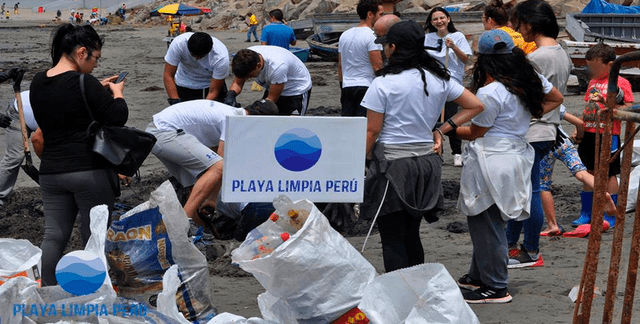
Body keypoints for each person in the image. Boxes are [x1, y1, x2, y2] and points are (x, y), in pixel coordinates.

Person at [360, 21, 484, 273]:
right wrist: (441, 128)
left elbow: (372, 130)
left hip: (393, 165)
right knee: (411, 232)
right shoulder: (437, 78)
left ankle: (400, 296)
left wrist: (358, 162)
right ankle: (417, 290)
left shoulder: (383, 83)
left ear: (393, 48)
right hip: (426, 163)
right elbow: (475, 105)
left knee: (392, 236)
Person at [455, 29, 562, 304]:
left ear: (485, 61)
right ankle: (478, 275)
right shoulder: (527, 79)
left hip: (492, 156)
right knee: (489, 220)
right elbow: (557, 99)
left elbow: (478, 131)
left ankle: (495, 286)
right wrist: (534, 111)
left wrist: (450, 129)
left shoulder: (490, 91)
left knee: (486, 221)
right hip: (516, 154)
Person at [29, 24, 128, 286]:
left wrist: (96, 88)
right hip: (88, 171)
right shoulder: (85, 82)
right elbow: (118, 117)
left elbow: (62, 111)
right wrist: (116, 94)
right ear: (82, 52)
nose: (96, 64)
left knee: (53, 236)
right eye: (96, 58)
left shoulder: (38, 82)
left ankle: (44, 293)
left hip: (51, 172)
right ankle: (92, 295)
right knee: (94, 235)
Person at [506, 0, 571, 269]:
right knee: (530, 188)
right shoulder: (560, 52)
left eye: (520, 24)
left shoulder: (535, 58)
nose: (519, 30)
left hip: (533, 129)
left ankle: (529, 249)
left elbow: (521, 97)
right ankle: (514, 245)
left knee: (528, 190)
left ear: (531, 24)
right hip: (549, 128)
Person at [145, 99, 278, 227]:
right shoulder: (236, 120)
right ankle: (184, 221)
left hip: (159, 131)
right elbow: (221, 162)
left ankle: (197, 227)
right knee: (218, 167)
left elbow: (213, 155)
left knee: (195, 184)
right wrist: (213, 199)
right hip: (164, 131)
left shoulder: (231, 113)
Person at [574, 43, 635, 228]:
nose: (592, 70)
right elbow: (588, 108)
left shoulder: (621, 83)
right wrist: (579, 127)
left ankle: (611, 213)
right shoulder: (592, 82)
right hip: (590, 133)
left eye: (596, 66)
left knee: (609, 174)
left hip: (609, 134)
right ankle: (587, 212)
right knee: (588, 172)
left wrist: (609, 105)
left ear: (610, 65)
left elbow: (629, 109)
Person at [539, 105, 617, 235]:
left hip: (544, 147)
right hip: (563, 142)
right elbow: (579, 122)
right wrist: (579, 137)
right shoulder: (551, 100)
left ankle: (552, 225)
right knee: (581, 173)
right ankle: (603, 192)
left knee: (543, 185)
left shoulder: (523, 101)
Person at [424, 7, 472, 167]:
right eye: (435, 19)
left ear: (448, 19)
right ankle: (437, 150)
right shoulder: (427, 38)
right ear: (431, 22)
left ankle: (457, 152)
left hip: (452, 83)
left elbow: (466, 59)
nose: (439, 21)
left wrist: (454, 47)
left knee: (452, 118)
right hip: (432, 83)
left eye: (442, 18)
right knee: (434, 118)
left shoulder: (457, 36)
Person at [226, 46, 312, 115]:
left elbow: (271, 101)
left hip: (295, 89)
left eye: (249, 76)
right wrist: (230, 95)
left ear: (258, 65)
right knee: (266, 120)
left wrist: (247, 112)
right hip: (272, 84)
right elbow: (238, 83)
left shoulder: (277, 66)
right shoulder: (245, 58)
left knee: (291, 126)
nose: (247, 79)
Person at [337, 0, 384, 117]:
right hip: (366, 87)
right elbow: (377, 66)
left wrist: (342, 86)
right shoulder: (372, 36)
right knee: (364, 128)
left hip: (347, 87)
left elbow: (340, 65)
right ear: (370, 14)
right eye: (380, 14)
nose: (382, 18)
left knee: (349, 127)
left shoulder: (345, 35)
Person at [163, 31, 230, 104]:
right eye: (193, 55)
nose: (196, 59)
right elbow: (168, 75)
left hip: (208, 85)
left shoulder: (221, 57)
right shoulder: (179, 44)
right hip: (184, 83)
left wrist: (204, 107)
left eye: (201, 57)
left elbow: (214, 91)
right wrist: (175, 101)